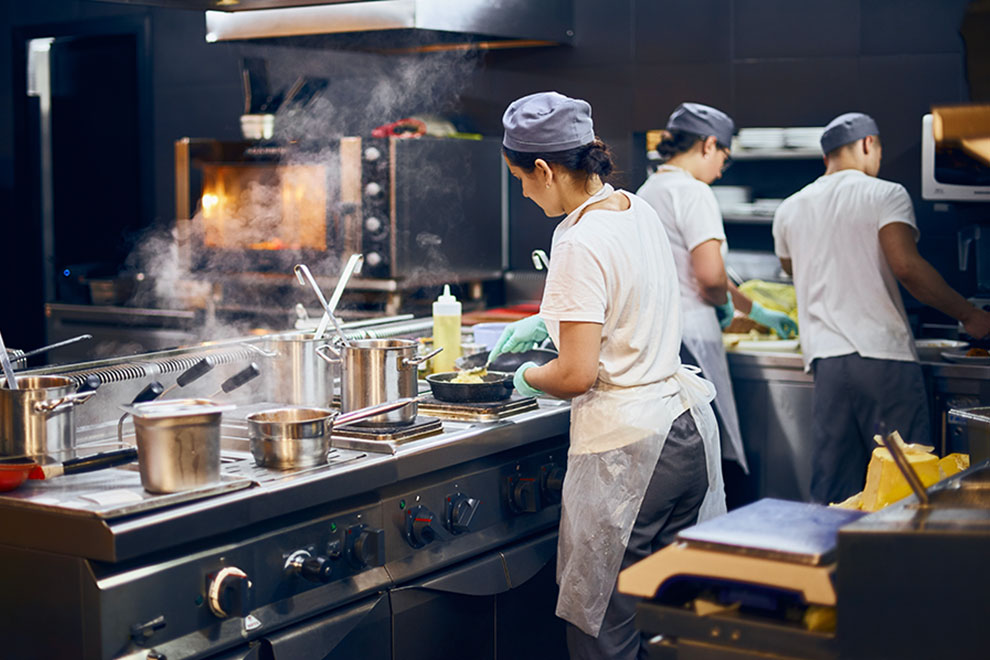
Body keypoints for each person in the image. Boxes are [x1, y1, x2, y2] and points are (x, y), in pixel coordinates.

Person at [488, 91, 726, 660]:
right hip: (684, 430)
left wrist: (526, 376)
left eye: (521, 178)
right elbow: (624, 299)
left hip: (630, 454)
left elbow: (575, 374)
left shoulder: (576, 239)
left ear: (544, 169)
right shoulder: (632, 207)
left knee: (604, 630)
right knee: (666, 622)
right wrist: (544, 321)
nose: (522, 191)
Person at [772, 111, 990, 505]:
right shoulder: (884, 193)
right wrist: (970, 315)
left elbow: (791, 267)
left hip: (827, 361)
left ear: (827, 157)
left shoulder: (790, 208)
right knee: (906, 480)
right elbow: (906, 266)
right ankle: (901, 563)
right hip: (883, 358)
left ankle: (828, 562)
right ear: (868, 144)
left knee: (835, 490)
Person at [636, 102, 798, 485]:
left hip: (657, 336)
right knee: (710, 446)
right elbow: (709, 278)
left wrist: (753, 309)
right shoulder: (693, 193)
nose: (723, 166)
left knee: (675, 449)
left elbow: (696, 271)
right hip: (693, 336)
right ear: (709, 145)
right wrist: (723, 305)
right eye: (724, 154)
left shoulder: (647, 190)